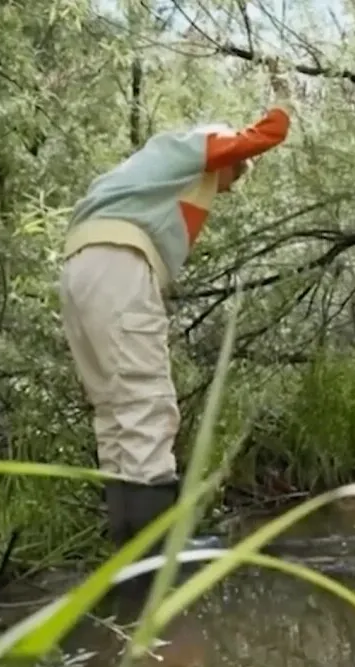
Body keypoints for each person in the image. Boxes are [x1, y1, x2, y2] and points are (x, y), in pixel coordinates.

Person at [58, 61, 293, 567]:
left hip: (81, 272)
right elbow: (266, 134)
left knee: (115, 411)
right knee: (146, 405)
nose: (223, 190)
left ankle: (132, 553)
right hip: (117, 268)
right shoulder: (189, 149)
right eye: (227, 180)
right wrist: (284, 95)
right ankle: (162, 553)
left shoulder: (140, 172)